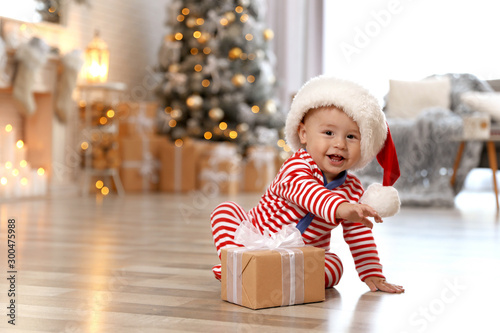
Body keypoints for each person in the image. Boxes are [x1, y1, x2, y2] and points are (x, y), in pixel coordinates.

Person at [210, 76, 404, 293]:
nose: (339, 144)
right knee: (225, 211)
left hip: (300, 256)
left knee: (335, 266)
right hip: (256, 238)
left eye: (351, 136)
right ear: (303, 134)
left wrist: (372, 272)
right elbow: (307, 193)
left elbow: (359, 234)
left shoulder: (353, 189)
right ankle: (236, 261)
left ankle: (276, 276)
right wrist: (340, 208)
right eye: (329, 133)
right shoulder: (297, 165)